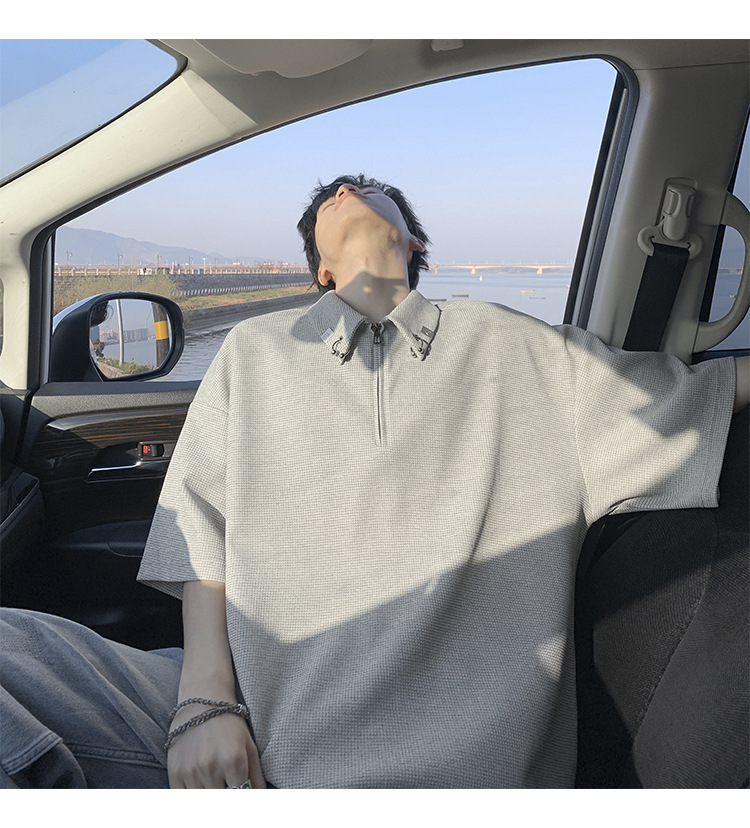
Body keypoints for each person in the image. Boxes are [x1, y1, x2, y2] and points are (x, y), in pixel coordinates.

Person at [1, 174, 748, 789]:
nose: (346, 187)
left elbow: (697, 398)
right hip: (243, 721)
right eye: (329, 197)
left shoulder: (526, 348)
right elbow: (201, 531)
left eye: (369, 188)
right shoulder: (253, 351)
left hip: (456, 775)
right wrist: (204, 703)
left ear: (414, 243)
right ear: (321, 271)